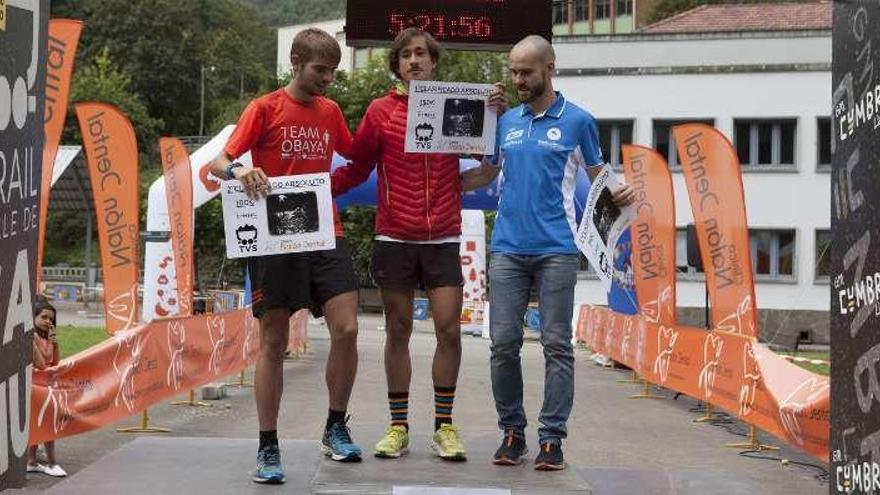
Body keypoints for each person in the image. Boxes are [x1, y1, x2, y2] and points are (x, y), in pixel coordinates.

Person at [331, 27, 506, 461]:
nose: (414, 60)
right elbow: (356, 168)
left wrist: (494, 121)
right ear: (396, 64)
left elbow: (483, 171)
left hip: (444, 234)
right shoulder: (379, 112)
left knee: (449, 327)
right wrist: (314, 189)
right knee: (399, 329)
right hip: (395, 235)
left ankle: (444, 427)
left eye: (422, 54)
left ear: (433, 63)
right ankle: (398, 427)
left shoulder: (458, 107)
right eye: (406, 54)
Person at [466, 35, 635, 471]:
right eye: (514, 71)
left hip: (557, 250)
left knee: (557, 345)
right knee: (503, 344)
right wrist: (447, 186)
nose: (518, 80)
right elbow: (487, 171)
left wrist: (622, 192)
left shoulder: (578, 121)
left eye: (526, 71)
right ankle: (512, 432)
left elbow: (600, 178)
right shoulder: (505, 121)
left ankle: (551, 439)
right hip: (506, 247)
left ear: (550, 69)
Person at [209, 28, 362, 484]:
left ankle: (335, 426)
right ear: (296, 63)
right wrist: (241, 169)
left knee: (348, 328)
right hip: (275, 237)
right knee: (273, 343)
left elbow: (359, 154)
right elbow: (218, 163)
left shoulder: (332, 112)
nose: (328, 79)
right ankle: (268, 445)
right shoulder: (264, 108)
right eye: (320, 70)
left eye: (333, 71)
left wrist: (335, 188)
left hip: (322, 230)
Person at [27, 299, 67, 478]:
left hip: (46, 384)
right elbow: (42, 365)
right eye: (43, 317)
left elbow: (55, 363)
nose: (48, 321)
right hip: (36, 385)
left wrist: (55, 343)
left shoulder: (46, 338)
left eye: (51, 319)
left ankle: (32, 461)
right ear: (33, 318)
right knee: (47, 423)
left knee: (39, 422)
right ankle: (51, 463)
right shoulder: (32, 337)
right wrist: (32, 343)